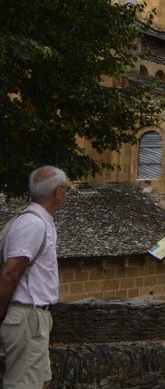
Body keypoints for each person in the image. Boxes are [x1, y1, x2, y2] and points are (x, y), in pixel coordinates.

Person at [0, 166, 71, 389]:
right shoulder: (33, 224)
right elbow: (10, 272)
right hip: (26, 316)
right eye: (66, 189)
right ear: (58, 192)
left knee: (40, 381)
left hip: (34, 317)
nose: (67, 193)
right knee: (23, 384)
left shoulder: (39, 220)